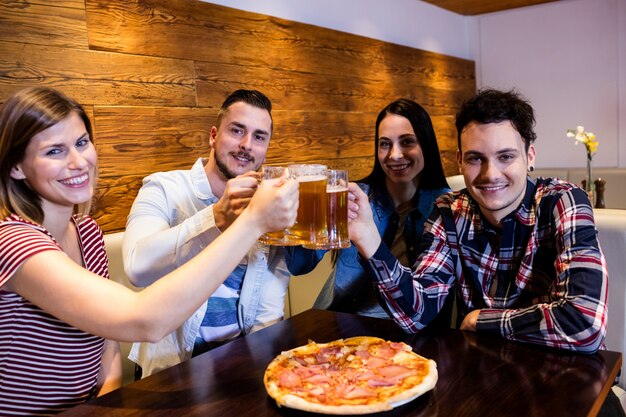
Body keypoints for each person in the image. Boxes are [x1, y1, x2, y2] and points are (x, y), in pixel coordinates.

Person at [0, 86, 298, 416]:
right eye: (54, 151)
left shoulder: (86, 231)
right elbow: (145, 320)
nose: (78, 162)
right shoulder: (13, 242)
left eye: (82, 143)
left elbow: (107, 343)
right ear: (16, 167)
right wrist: (252, 222)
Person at [348, 88, 608, 353]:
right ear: (460, 161)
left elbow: (585, 324)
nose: (490, 174)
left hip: (567, 373)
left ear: (530, 157)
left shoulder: (564, 200)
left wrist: (481, 321)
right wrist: (369, 239)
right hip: (482, 373)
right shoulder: (450, 210)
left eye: (505, 156)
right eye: (475, 158)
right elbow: (416, 314)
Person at [122, 89, 289, 378]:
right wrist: (215, 218)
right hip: (171, 369)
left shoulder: (266, 202)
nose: (247, 145)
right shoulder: (164, 188)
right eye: (237, 131)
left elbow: (270, 299)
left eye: (259, 137)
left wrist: (267, 366)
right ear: (213, 135)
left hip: (244, 364)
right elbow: (136, 268)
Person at [286, 98, 450, 318]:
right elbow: (299, 266)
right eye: (385, 144)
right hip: (339, 323)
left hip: (408, 331)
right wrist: (302, 220)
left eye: (407, 141)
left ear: (426, 145)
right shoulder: (355, 196)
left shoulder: (447, 207)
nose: (394, 155)